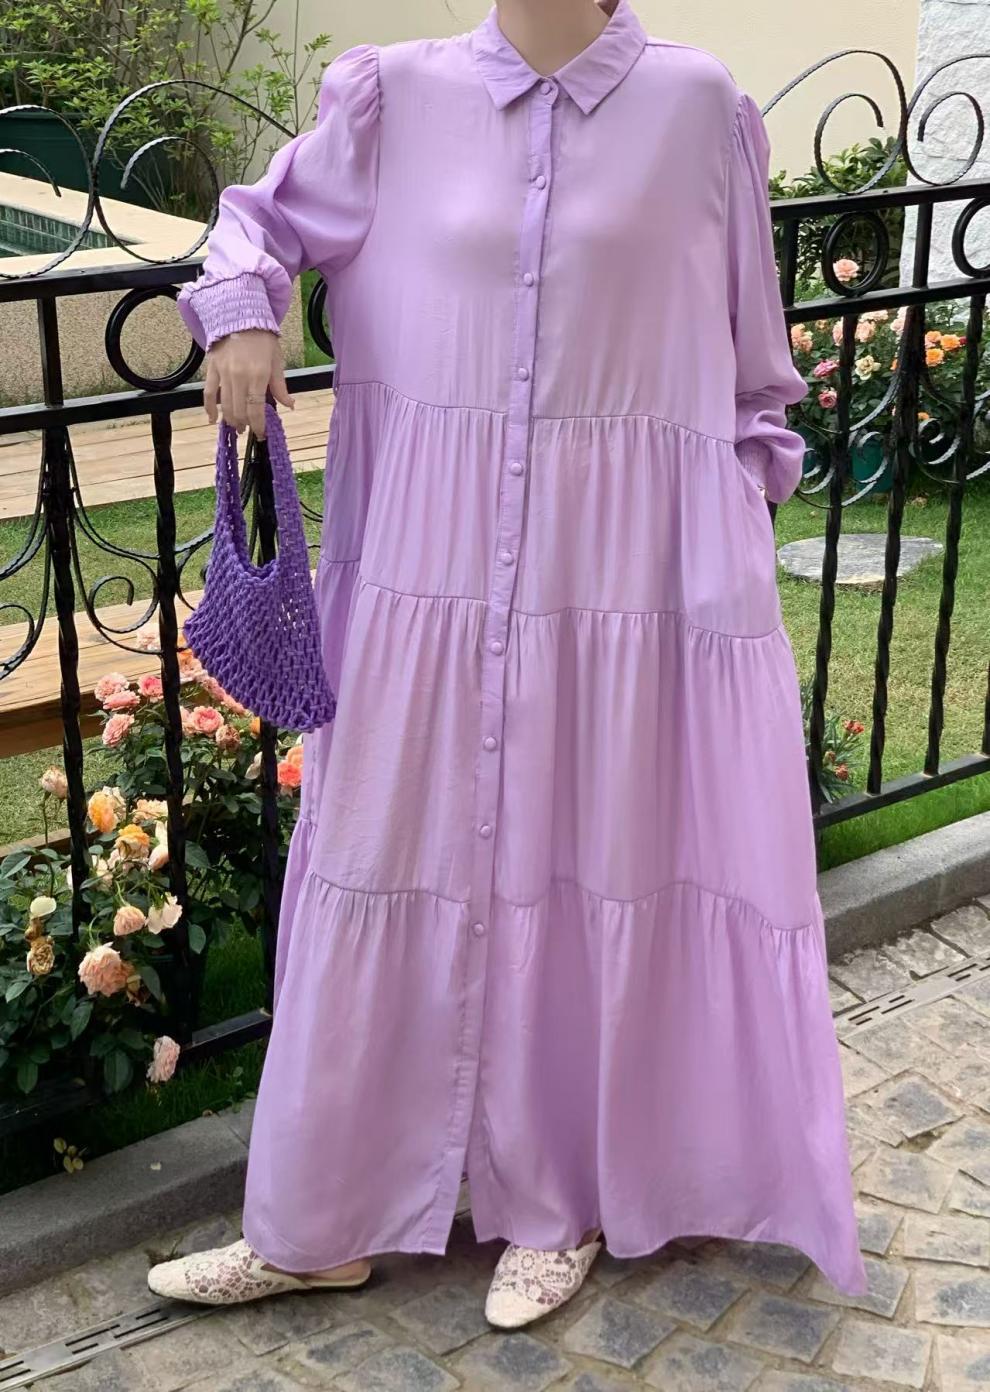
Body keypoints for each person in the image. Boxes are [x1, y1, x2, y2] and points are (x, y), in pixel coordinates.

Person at [148, 0, 868, 1326]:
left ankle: (557, 1200)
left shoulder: (698, 110)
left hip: (622, 595)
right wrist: (243, 315)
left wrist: (721, 537)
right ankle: (314, 1221)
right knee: (377, 863)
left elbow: (752, 374)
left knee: (583, 871)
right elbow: (252, 224)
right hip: (420, 588)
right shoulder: (391, 99)